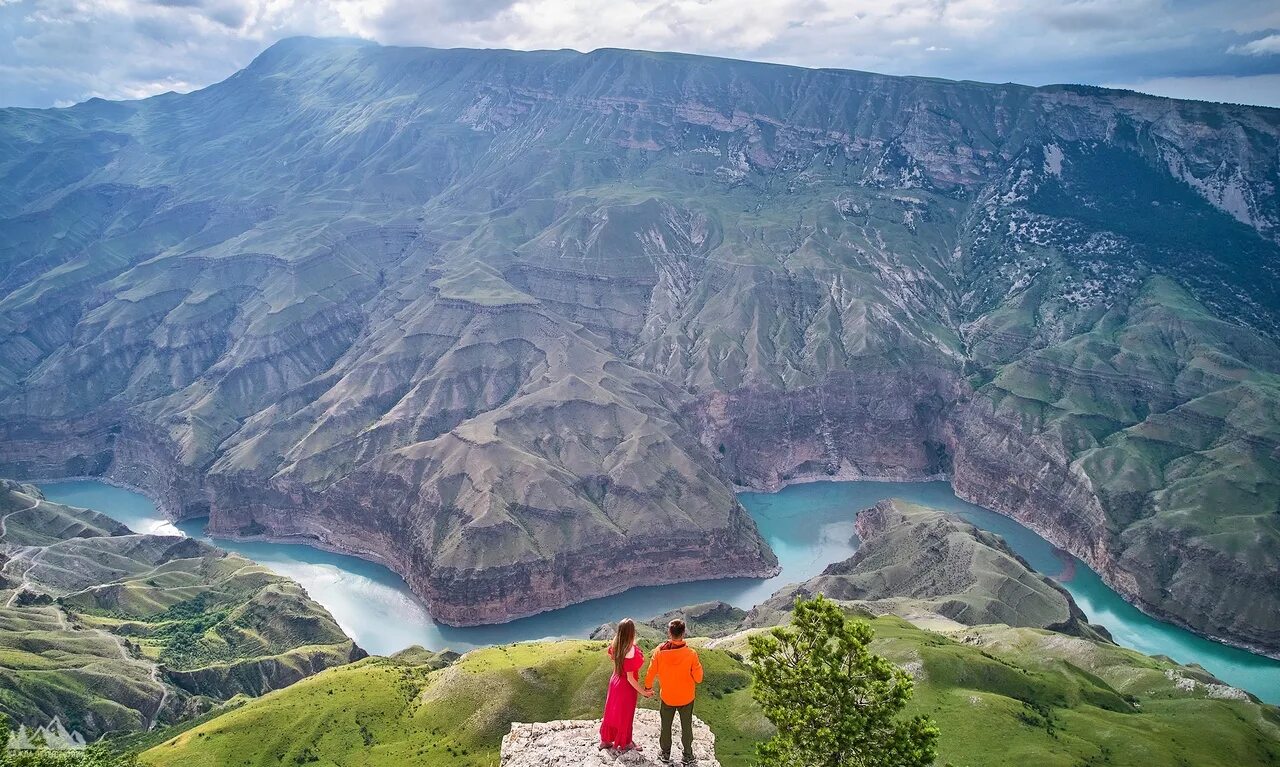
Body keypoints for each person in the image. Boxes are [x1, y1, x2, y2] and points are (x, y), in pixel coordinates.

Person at [644, 618, 703, 764]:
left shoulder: (659, 651)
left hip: (668, 697)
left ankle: (665, 753)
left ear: (669, 633)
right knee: (686, 726)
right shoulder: (691, 654)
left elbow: (651, 671)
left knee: (666, 726)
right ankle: (688, 755)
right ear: (684, 633)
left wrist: (647, 687)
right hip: (686, 697)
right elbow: (699, 678)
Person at [599, 618, 652, 751]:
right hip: (625, 687)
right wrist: (644, 692)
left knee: (611, 712)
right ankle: (625, 743)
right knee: (625, 716)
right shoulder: (630, 650)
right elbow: (630, 679)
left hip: (614, 681)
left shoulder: (616, 645)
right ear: (632, 633)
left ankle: (605, 740)